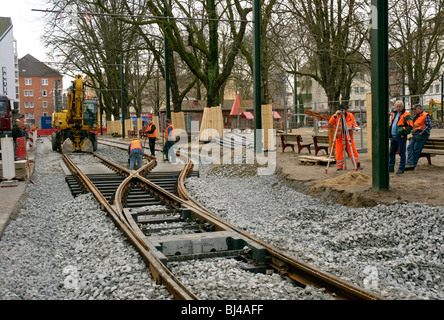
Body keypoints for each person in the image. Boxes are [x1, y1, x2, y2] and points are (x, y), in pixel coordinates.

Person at [328, 104, 362, 171]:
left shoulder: (350, 115)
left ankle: (357, 164)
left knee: (352, 150)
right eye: (340, 110)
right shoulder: (336, 116)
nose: (342, 111)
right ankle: (339, 166)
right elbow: (330, 123)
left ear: (345, 110)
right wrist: (335, 115)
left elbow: (354, 122)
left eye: (343, 110)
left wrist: (355, 127)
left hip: (348, 135)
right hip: (339, 137)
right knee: (339, 151)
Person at [405, 104, 432, 171]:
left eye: (415, 109)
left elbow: (429, 126)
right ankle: (409, 163)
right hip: (415, 135)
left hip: (421, 135)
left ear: (419, 109)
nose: (414, 110)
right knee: (410, 148)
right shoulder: (416, 116)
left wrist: (421, 133)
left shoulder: (425, 115)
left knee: (416, 149)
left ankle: (412, 164)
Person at [389, 100, 413, 174]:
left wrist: (404, 133)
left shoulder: (406, 115)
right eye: (397, 106)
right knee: (392, 153)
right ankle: (390, 168)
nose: (398, 108)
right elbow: (392, 124)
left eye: (400, 106)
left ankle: (401, 169)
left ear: (402, 107)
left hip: (400, 137)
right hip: (394, 137)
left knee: (402, 153)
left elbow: (410, 126)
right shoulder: (395, 114)